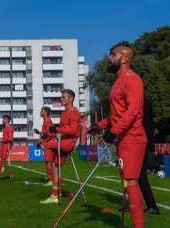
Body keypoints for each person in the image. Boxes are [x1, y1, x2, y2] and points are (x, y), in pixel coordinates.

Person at [92, 43, 147, 228]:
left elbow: (133, 110)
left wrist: (113, 132)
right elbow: (117, 114)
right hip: (123, 138)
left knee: (131, 181)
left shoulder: (132, 79)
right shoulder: (117, 82)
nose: (109, 58)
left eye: (113, 55)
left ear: (125, 58)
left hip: (133, 137)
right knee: (126, 180)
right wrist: (100, 125)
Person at [40, 89, 80, 204]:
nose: (61, 99)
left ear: (71, 98)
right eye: (61, 97)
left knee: (47, 145)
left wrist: (57, 129)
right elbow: (61, 131)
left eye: (63, 97)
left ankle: (55, 191)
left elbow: (72, 130)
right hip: (62, 141)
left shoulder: (74, 112)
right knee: (55, 167)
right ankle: (55, 194)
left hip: (68, 143)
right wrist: (52, 132)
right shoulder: (63, 113)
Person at [34, 106, 54, 186]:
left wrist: (40, 141)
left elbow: (49, 134)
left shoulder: (48, 121)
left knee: (49, 162)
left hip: (49, 144)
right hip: (47, 143)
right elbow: (46, 133)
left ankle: (51, 180)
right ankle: (50, 178)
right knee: (47, 162)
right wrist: (39, 132)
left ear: (45, 112)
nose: (40, 112)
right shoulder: (46, 121)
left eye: (41, 111)